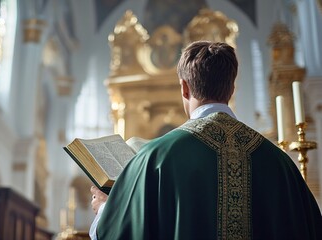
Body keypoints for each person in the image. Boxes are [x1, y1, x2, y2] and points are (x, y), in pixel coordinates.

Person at [89, 41, 322, 239]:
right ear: (231, 88)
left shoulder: (155, 158)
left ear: (184, 87)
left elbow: (122, 232)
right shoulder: (279, 162)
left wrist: (104, 211)